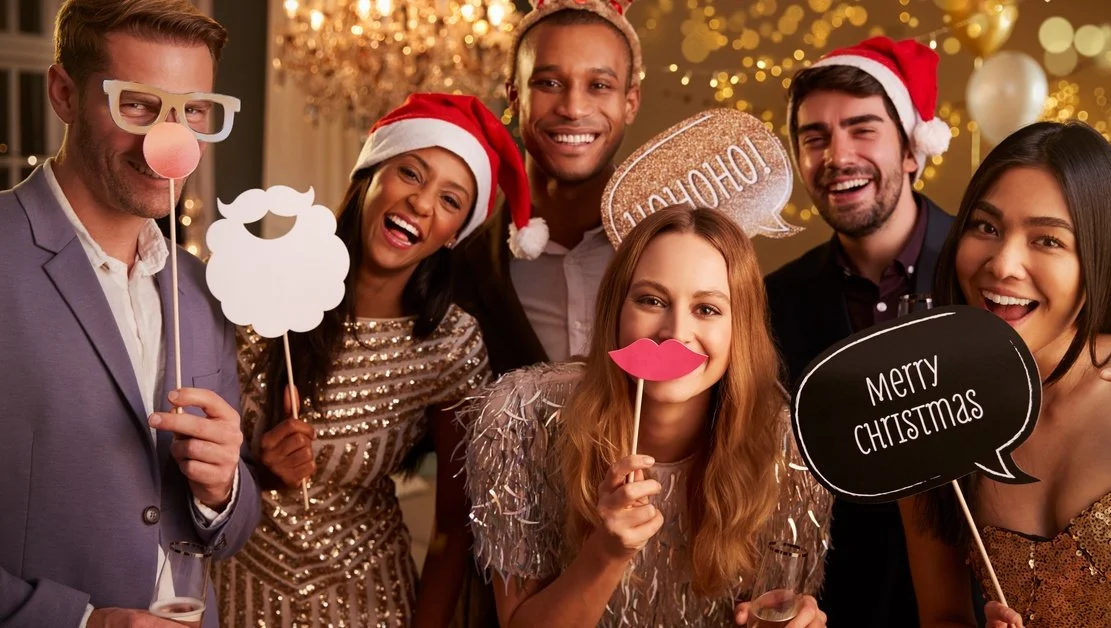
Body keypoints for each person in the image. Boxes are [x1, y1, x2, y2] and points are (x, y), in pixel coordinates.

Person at [212, 94, 536, 627]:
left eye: (450, 200)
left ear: (454, 233)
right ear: (370, 174)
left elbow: (455, 528)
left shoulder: (450, 345)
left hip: (370, 602)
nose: (422, 203)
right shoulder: (259, 293)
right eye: (411, 172)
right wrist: (260, 475)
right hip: (240, 593)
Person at [0, 1, 260, 627]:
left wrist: (224, 491)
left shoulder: (202, 288)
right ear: (64, 92)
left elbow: (233, 528)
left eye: (193, 112)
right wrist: (83, 622)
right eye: (138, 106)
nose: (169, 143)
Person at [462, 206, 834, 626]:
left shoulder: (786, 447)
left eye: (707, 309)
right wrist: (605, 553)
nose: (675, 333)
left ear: (740, 330)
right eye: (651, 300)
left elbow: (772, 609)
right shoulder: (523, 418)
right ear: (615, 310)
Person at [903, 120, 1111, 627]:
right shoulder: (932, 420)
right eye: (986, 227)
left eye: (1048, 240)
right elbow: (944, 615)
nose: (1003, 264)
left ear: (1098, 259)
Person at [764, 36, 955, 627]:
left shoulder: (984, 271)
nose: (836, 156)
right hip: (843, 607)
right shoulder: (773, 301)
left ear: (910, 149)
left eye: (862, 129)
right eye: (814, 138)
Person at [453, 0, 642, 373]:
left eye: (599, 85)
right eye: (549, 83)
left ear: (630, 103)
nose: (573, 108)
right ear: (514, 96)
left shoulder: (671, 245)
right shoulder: (460, 263)